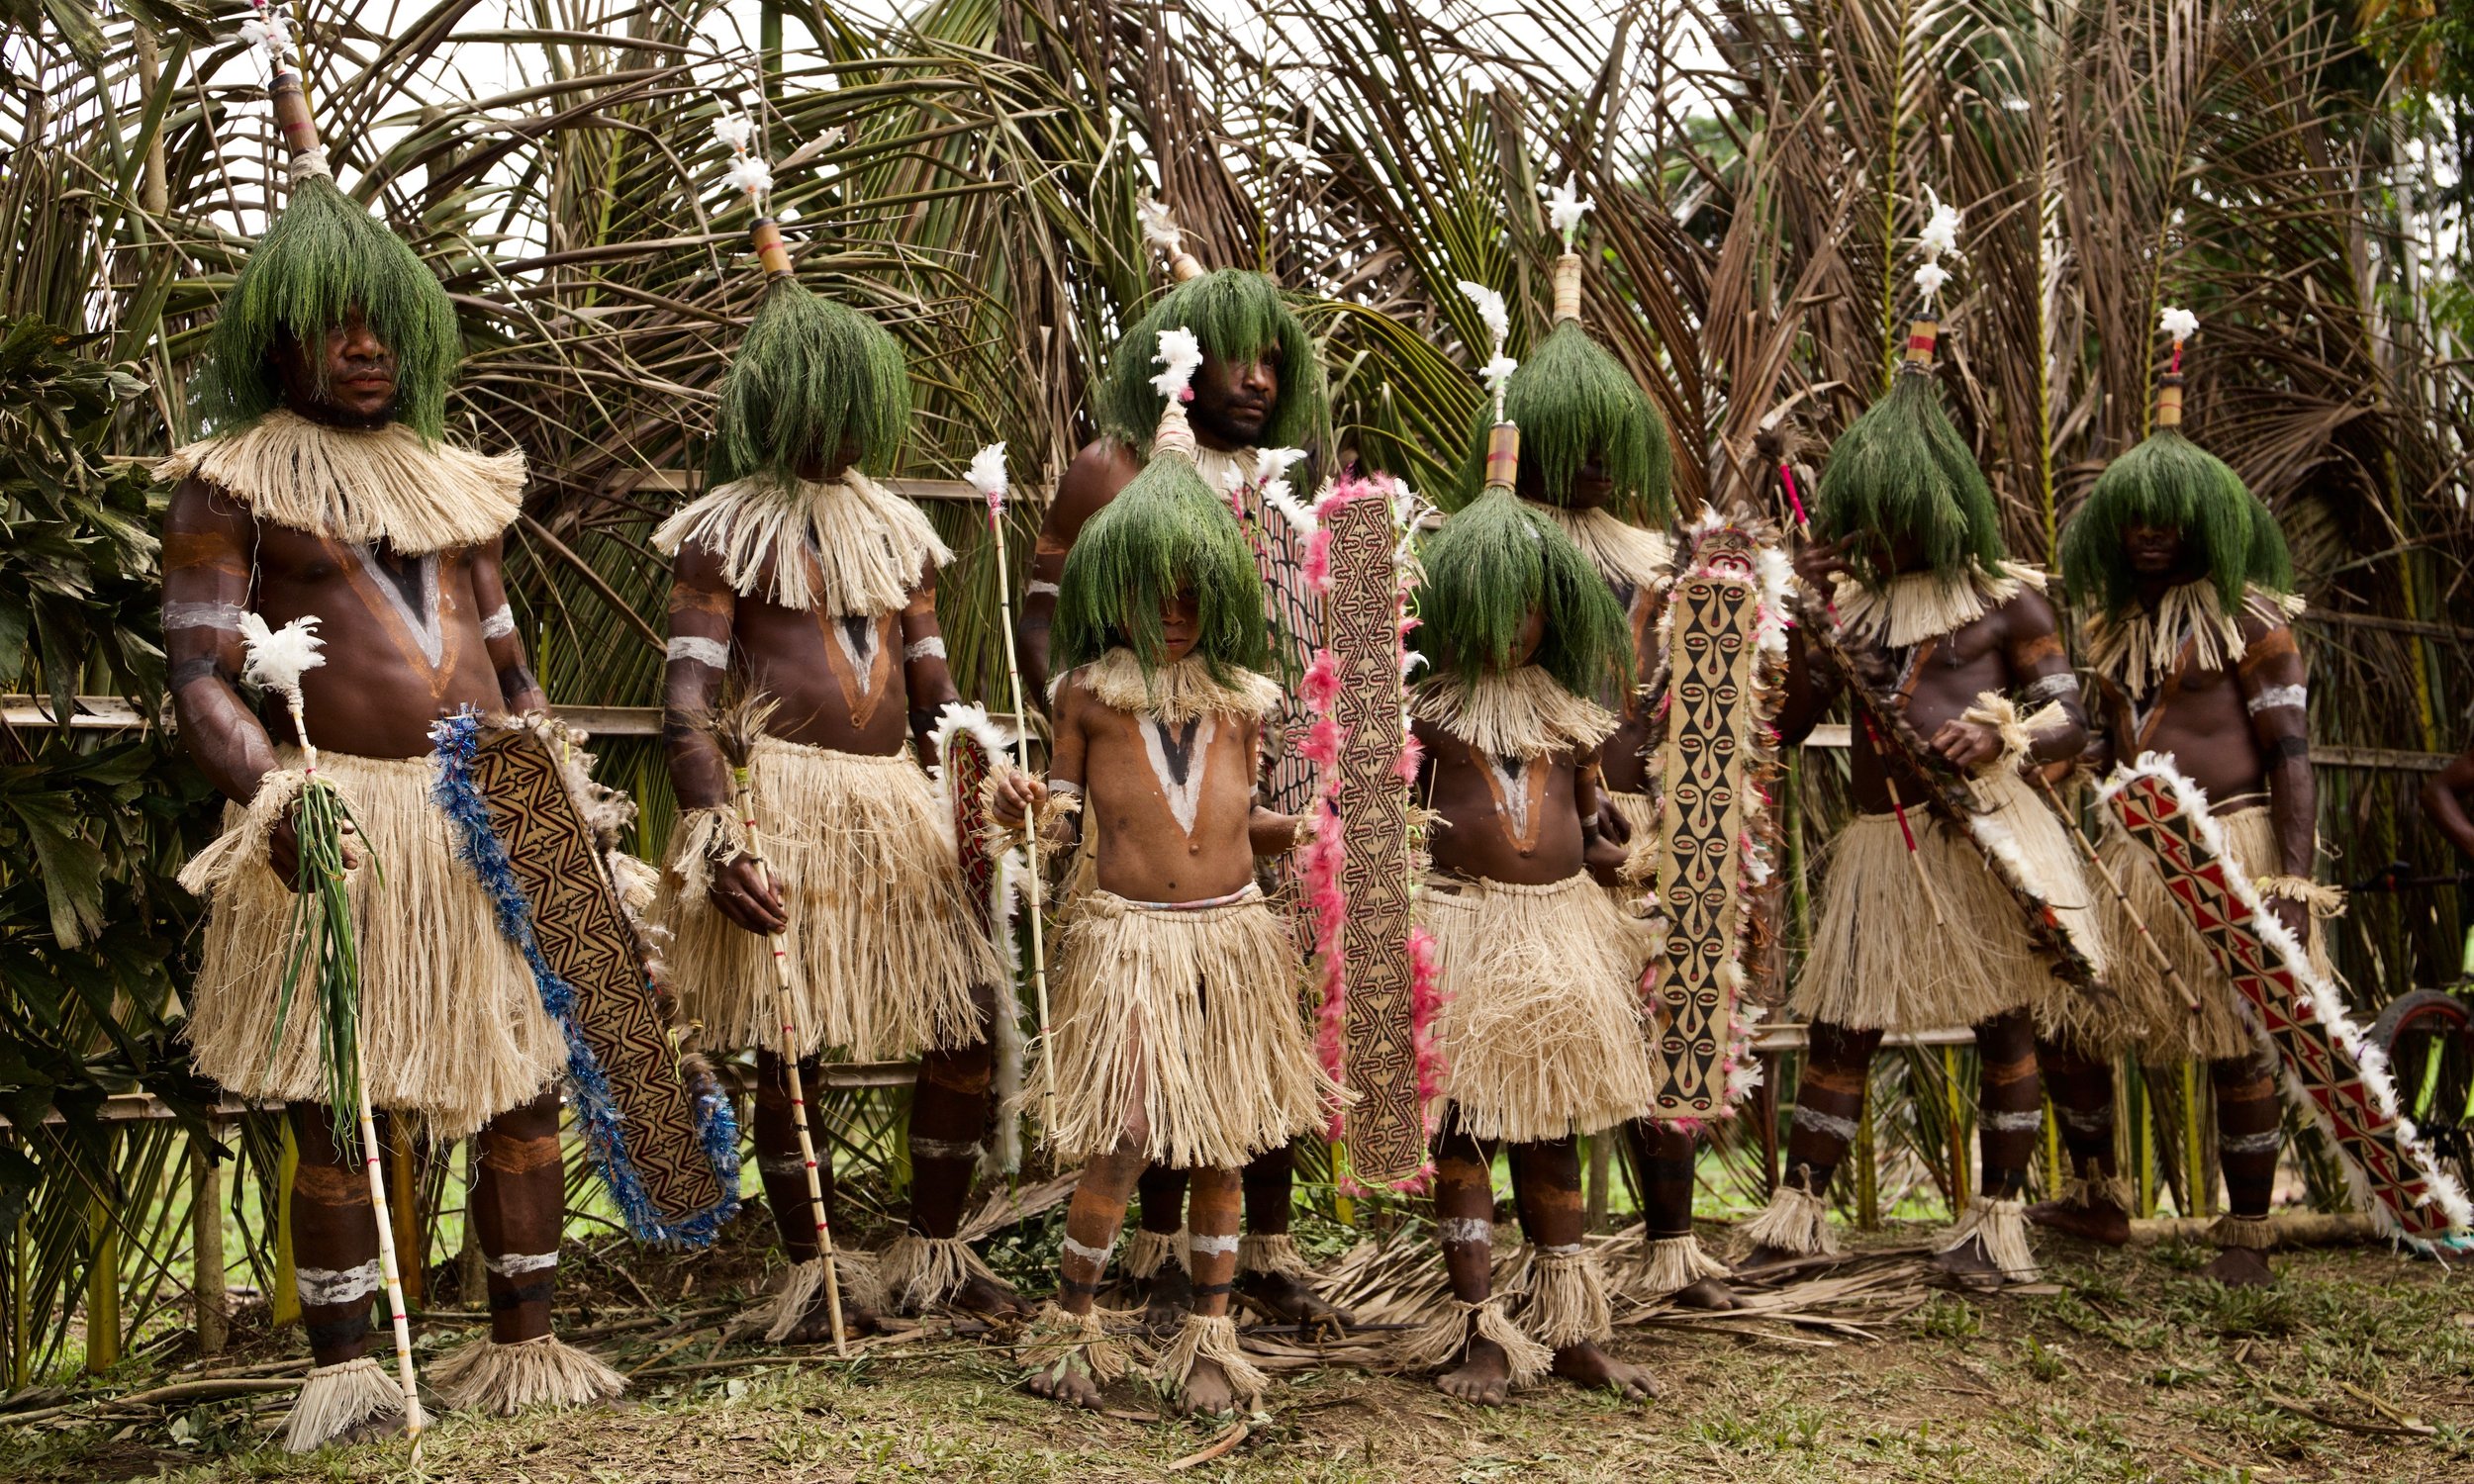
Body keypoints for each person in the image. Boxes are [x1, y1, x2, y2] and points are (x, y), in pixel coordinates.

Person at [164, 133, 621, 1442]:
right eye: (337, 328)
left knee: (521, 1079)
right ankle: (349, 1368)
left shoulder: (461, 484)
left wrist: (557, 795)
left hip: (482, 809)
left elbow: (511, 664)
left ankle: (524, 1344)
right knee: (337, 1096)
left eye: (385, 328)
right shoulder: (230, 481)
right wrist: (273, 798)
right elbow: (202, 678)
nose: (366, 348)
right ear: (281, 345)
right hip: (338, 810)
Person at [653, 225, 1022, 1335]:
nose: (834, 425)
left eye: (851, 402)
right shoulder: (722, 534)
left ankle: (937, 1255)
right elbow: (686, 706)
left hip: (896, 810)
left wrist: (986, 781)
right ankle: (816, 1275)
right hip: (789, 801)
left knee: (963, 1018)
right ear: (773, 405)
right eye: (812, 401)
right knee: (790, 1035)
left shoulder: (902, 534)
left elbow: (938, 698)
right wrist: (720, 835)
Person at [994, 330, 1342, 1415]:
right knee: (1126, 1141)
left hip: (1231, 938)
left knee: (1226, 1143)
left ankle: (1209, 1338)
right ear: (1122, 591)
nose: (1177, 605)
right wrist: (1021, 814)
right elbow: (1061, 806)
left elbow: (1242, 823)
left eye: (1195, 587)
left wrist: (1318, 836)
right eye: (1157, 587)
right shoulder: (1088, 695)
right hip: (1130, 939)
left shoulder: (1243, 699)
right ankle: (1073, 1328)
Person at [1746, 312, 2102, 1286]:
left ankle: (1996, 1225)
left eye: (1902, 515)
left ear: (1945, 505)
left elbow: (2072, 718)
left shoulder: (2004, 602)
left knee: (2002, 1020)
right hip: (1880, 844)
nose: (1886, 535)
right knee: (1843, 1023)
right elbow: (1785, 724)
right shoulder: (1848, 611)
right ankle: (1797, 1216)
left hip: (1982, 833)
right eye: (1869, 517)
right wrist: (1798, 633)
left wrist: (2001, 733)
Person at [1458, 208, 1740, 1311]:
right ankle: (1531, 1275)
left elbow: (1693, 696)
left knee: (1664, 1034)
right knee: (1544, 1062)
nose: (1579, 456)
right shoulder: (1489, 553)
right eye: (1558, 433)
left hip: (1642, 823)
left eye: (1597, 437)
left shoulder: (1663, 564)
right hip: (1536, 838)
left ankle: (1670, 1247)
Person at [2030, 317, 2316, 1286]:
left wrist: (2290, 882)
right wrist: (2037, 760)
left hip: (2229, 843)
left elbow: (2291, 756)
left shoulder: (2253, 624)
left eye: (2166, 522)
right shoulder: (2114, 633)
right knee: (2070, 1012)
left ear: (2201, 525)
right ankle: (2099, 1196)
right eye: (2133, 523)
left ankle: (2247, 1232)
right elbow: (2103, 741)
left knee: (2238, 1033)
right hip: (2132, 856)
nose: (2148, 537)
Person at [1392, 457, 1662, 1405]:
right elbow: (1378, 819)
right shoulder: (1421, 716)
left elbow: (1591, 827)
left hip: (1560, 941)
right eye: (1494, 611)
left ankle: (1573, 1328)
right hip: (1463, 937)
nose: (1513, 630)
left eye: (1531, 611)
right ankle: (1480, 1331)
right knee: (1464, 1136)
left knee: (1551, 1133)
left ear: (1553, 616)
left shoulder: (1575, 720)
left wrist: (1607, 839)